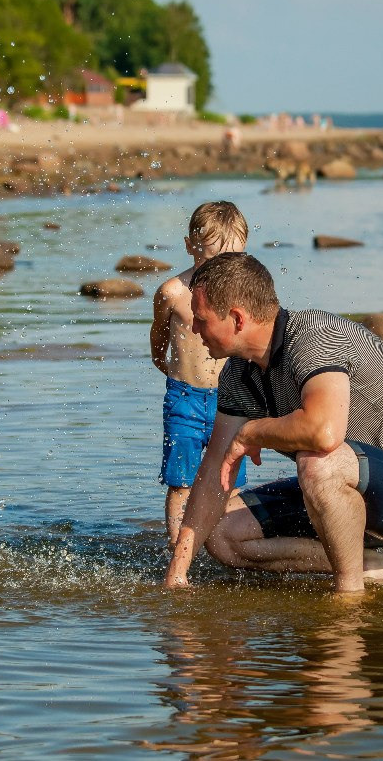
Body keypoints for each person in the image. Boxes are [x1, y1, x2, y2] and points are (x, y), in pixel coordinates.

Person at [163, 253, 383, 594]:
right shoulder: (238, 373)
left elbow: (324, 432)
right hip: (352, 490)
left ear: (236, 318)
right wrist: (178, 572)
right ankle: (373, 568)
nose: (193, 327)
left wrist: (252, 431)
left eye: (201, 319)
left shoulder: (314, 336)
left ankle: (348, 595)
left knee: (318, 461)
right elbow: (215, 468)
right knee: (221, 534)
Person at [150, 203, 250, 543]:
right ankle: (178, 553)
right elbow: (159, 331)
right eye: (213, 259)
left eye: (232, 260)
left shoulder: (245, 294)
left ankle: (224, 545)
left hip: (231, 399)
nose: (223, 269)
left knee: (229, 481)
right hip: (185, 398)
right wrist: (159, 357)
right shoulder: (174, 292)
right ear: (191, 245)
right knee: (181, 482)